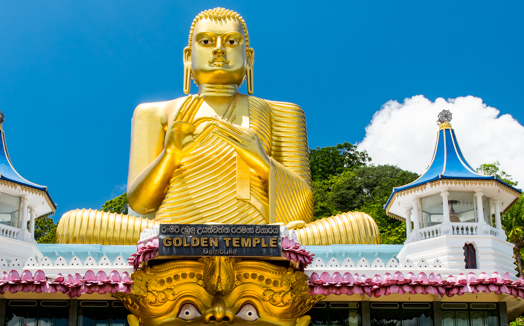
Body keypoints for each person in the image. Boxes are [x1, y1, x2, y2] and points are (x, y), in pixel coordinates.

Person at [56, 7, 379, 245]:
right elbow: (140, 205)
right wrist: (170, 154)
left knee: (361, 227)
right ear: (188, 56)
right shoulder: (155, 113)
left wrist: (261, 161)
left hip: (262, 236)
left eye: (231, 42)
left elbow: (303, 208)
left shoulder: (282, 112)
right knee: (73, 224)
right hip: (171, 233)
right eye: (207, 41)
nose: (219, 50)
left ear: (249, 57)